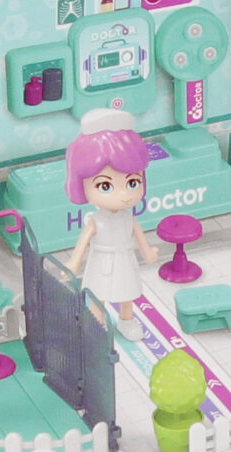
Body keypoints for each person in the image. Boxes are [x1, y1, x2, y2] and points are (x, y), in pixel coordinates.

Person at [63, 108, 161, 327]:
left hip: (125, 257)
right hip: (102, 260)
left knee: (127, 292)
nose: (124, 194)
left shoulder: (128, 217)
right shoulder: (96, 221)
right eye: (105, 186)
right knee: (99, 294)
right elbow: (83, 242)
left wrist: (147, 251)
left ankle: (127, 320)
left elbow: (138, 235)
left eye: (132, 183)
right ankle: (97, 324)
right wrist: (75, 261)